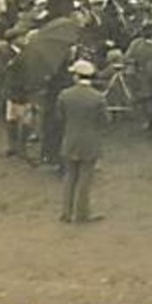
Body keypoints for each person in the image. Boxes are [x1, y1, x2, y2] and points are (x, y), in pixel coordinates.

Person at [56, 60, 107, 223]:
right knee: (86, 178)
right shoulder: (98, 97)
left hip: (70, 139)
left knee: (69, 176)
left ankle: (66, 212)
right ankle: (82, 213)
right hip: (90, 141)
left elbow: (60, 117)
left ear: (77, 76)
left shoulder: (65, 95)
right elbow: (104, 120)